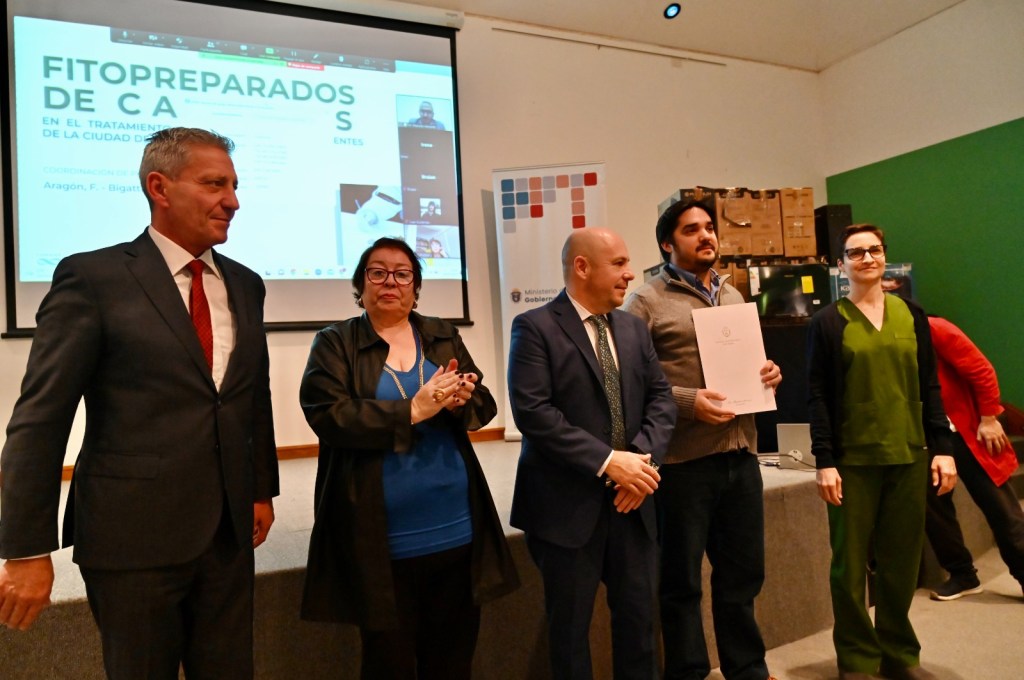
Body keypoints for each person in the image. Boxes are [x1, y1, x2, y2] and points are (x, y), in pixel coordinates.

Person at [0, 127, 279, 678]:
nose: (233, 200)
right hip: (131, 540)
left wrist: (259, 488)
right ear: (160, 186)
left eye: (235, 185)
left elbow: (251, 398)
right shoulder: (94, 277)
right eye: (214, 184)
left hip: (227, 537)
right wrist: (26, 548)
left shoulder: (246, 284)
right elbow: (41, 416)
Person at [299, 237, 518, 680]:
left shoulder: (440, 333)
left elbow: (484, 407)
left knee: (453, 662)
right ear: (360, 284)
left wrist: (460, 401)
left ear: (416, 287)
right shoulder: (335, 342)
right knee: (389, 665)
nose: (390, 282)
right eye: (377, 273)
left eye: (402, 274)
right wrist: (413, 410)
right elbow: (329, 415)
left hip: (457, 528)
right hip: (382, 538)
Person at [507, 228, 677, 679]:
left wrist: (638, 463)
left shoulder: (634, 328)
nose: (629, 274)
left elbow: (661, 399)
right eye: (619, 263)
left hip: (633, 502)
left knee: (640, 625)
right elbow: (534, 412)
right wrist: (609, 462)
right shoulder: (535, 327)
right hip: (567, 508)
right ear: (582, 267)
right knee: (569, 634)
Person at [623, 199, 781, 680]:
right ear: (668, 244)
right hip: (682, 462)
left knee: (742, 575)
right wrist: (690, 400)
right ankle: (689, 671)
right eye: (692, 229)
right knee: (681, 582)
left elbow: (749, 367)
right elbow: (630, 382)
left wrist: (768, 375)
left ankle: (747, 667)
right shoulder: (645, 302)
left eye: (710, 227)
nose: (706, 236)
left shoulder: (733, 297)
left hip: (741, 455)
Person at [808, 224, 957, 680]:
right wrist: (825, 460)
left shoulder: (912, 316)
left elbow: (929, 385)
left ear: (885, 257)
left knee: (900, 563)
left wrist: (942, 448)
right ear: (842, 265)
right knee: (849, 568)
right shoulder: (828, 323)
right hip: (853, 462)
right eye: (856, 253)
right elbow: (816, 395)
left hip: (909, 454)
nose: (867, 258)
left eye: (874, 250)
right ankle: (856, 658)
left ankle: (899, 654)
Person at [924, 315, 1024, 600]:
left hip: (966, 431)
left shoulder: (934, 327)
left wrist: (989, 418)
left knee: (1001, 509)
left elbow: (981, 369)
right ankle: (962, 575)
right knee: (934, 510)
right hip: (926, 437)